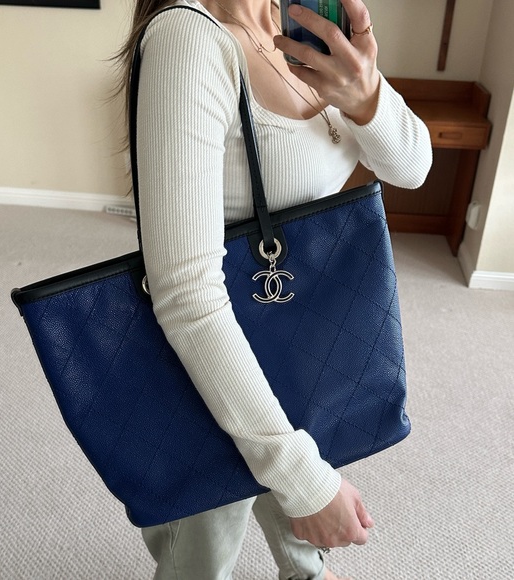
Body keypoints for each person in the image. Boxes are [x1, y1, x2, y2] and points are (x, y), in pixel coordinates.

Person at [116, 1, 432, 578]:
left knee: (297, 484)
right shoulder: (190, 39)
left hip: (293, 333)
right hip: (209, 366)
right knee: (202, 554)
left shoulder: (301, 23)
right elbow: (186, 295)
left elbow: (411, 168)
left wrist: (366, 97)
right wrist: (307, 484)